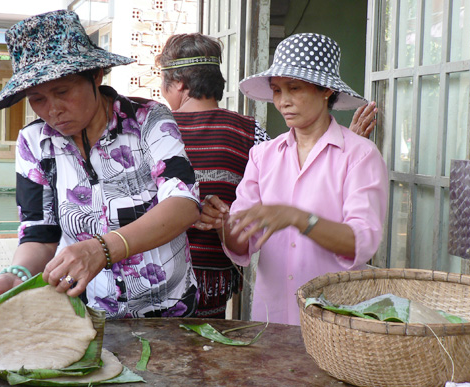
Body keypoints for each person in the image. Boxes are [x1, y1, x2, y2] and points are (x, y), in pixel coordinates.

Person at [0, 10, 201, 319]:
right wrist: (18, 273)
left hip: (167, 310)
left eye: (63, 91)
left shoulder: (148, 120)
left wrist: (102, 249)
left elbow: (183, 203)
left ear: (96, 75)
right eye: (37, 99)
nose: (53, 110)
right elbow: (40, 233)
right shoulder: (35, 143)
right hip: (89, 314)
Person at [155, 33, 379, 319]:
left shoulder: (154, 131)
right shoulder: (256, 143)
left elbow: (361, 241)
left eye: (294, 88)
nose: (284, 101)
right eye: (277, 90)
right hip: (243, 301)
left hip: (333, 322)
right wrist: (223, 224)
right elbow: (246, 234)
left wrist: (298, 215)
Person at [155, 33, 270, 318]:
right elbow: (285, 180)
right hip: (214, 282)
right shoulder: (250, 131)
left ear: (179, 82)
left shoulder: (153, 128)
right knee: (207, 352)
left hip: (156, 274)